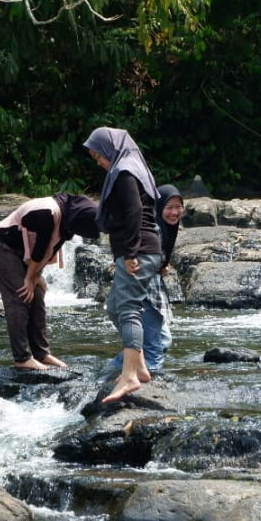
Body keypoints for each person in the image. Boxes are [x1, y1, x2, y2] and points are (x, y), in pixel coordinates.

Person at [83, 127, 164, 403]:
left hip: (138, 250)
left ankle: (129, 375)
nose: (100, 163)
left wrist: (130, 253)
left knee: (129, 308)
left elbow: (134, 211)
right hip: (137, 249)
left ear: (111, 149)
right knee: (115, 307)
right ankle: (139, 366)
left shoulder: (126, 170)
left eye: (100, 157)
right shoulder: (126, 168)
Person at [0, 192, 101, 369]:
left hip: (24, 255)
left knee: (38, 295)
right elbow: (40, 249)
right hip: (3, 246)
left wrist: (36, 276)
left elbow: (51, 249)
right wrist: (28, 278)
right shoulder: (47, 213)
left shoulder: (67, 221)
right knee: (21, 296)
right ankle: (22, 358)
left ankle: (41, 354)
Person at [106, 183, 183, 376]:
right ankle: (151, 387)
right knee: (154, 348)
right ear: (158, 207)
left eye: (178, 207)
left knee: (161, 341)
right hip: (144, 293)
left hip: (151, 290)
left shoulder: (166, 229)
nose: (174, 212)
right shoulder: (154, 228)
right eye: (169, 207)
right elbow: (141, 258)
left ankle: (113, 369)